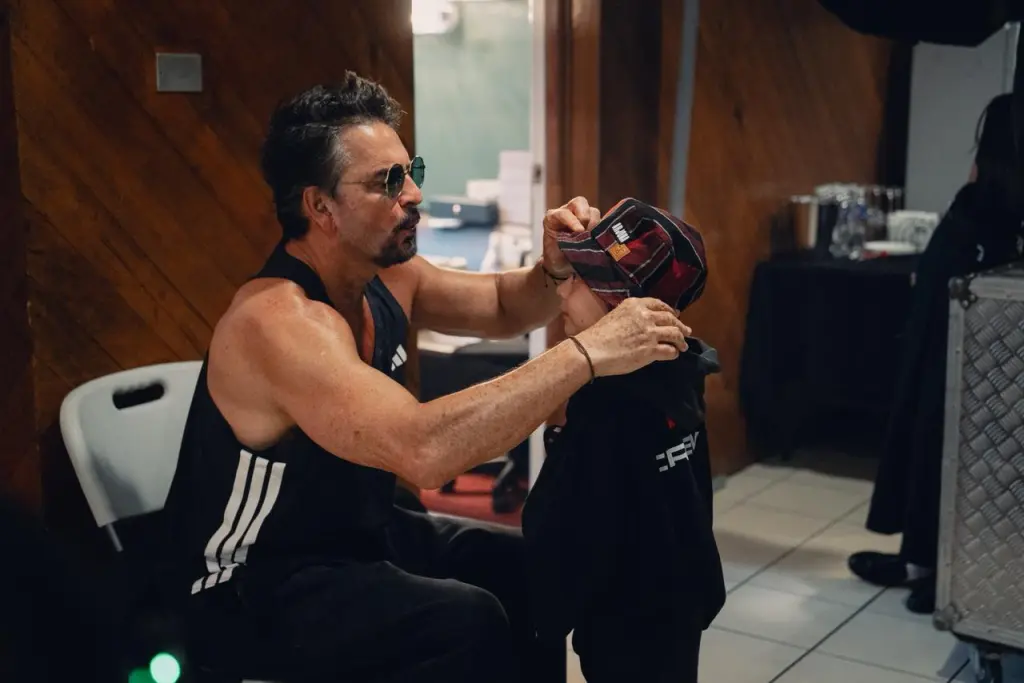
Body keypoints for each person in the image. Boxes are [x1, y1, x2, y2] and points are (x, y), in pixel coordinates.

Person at [160, 72, 692, 683]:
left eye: (410, 170)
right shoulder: (278, 323)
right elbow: (424, 451)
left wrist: (553, 267)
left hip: (351, 539)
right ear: (320, 207)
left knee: (532, 570)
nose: (413, 193)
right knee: (466, 623)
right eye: (388, 182)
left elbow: (503, 304)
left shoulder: (386, 277)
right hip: (246, 584)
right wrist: (588, 353)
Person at [522, 199, 725, 683]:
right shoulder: (683, 370)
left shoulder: (603, 408)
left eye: (579, 279)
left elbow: (561, 526)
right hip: (682, 600)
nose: (562, 288)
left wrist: (545, 617)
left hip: (622, 621)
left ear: (625, 310)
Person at [849, 93, 1024, 613]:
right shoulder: (985, 207)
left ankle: (937, 568)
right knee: (950, 451)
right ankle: (927, 565)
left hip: (962, 351)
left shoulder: (982, 206)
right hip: (960, 350)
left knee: (947, 449)